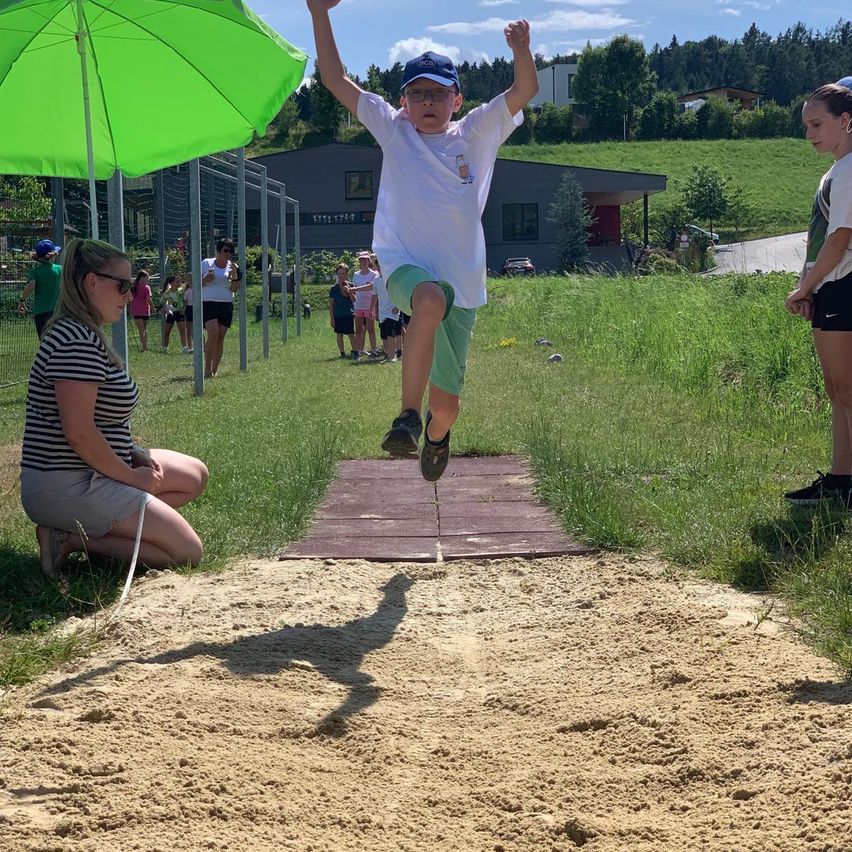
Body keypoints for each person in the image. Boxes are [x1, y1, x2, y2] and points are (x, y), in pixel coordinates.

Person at [307, 0, 538, 481]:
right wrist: (319, 13)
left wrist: (521, 49)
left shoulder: (476, 133)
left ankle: (435, 433)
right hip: (404, 263)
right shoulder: (394, 131)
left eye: (439, 94)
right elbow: (334, 79)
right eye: (418, 95)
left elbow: (525, 89)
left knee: (449, 407)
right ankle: (407, 417)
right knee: (428, 300)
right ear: (403, 102)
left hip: (463, 279)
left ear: (457, 99)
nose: (428, 103)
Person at [19, 238, 207, 581]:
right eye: (124, 285)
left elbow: (98, 421)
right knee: (187, 552)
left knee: (194, 475)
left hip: (89, 470)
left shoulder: (83, 333)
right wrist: (134, 478)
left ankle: (108, 526)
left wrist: (132, 452)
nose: (129, 294)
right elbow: (79, 433)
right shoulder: (75, 341)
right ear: (92, 282)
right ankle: (71, 539)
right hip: (66, 482)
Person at [784, 83, 852, 505]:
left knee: (846, 387)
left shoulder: (849, 170)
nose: (809, 133)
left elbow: (841, 236)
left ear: (846, 121)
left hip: (844, 285)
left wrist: (805, 287)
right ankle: (842, 479)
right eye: (805, 125)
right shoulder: (836, 169)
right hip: (830, 286)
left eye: (816, 123)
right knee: (837, 388)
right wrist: (809, 284)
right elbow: (820, 235)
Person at [201, 237, 242, 378]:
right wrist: (204, 280)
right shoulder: (206, 263)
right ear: (219, 250)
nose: (228, 253)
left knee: (220, 337)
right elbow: (192, 283)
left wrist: (235, 276)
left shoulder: (233, 267)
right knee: (213, 334)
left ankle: (215, 369)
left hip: (225, 303)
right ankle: (206, 369)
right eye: (225, 250)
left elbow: (235, 289)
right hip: (209, 303)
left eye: (230, 251)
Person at [18, 239, 62, 337]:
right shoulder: (60, 270)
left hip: (40, 313)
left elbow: (31, 286)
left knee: (45, 342)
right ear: (53, 254)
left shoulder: (35, 272)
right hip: (58, 312)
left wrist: (22, 300)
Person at [372, 255, 402, 362]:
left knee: (391, 333)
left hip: (392, 311)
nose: (380, 268)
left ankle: (393, 355)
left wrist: (397, 306)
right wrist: (372, 309)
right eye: (378, 266)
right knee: (384, 335)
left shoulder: (391, 278)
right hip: (382, 312)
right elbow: (374, 295)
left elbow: (399, 293)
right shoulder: (376, 280)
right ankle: (387, 354)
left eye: (381, 265)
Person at [351, 250, 378, 357]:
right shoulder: (356, 275)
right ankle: (358, 351)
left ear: (368, 261)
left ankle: (374, 350)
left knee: (371, 329)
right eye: (361, 260)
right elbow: (354, 289)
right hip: (358, 305)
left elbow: (372, 287)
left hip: (369, 304)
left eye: (365, 260)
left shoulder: (373, 274)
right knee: (358, 330)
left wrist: (356, 289)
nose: (363, 262)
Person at [328, 262, 358, 359]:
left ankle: (356, 352)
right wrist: (332, 318)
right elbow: (331, 304)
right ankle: (342, 353)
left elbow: (354, 300)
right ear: (337, 274)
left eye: (343, 274)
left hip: (348, 313)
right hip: (338, 314)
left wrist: (349, 291)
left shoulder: (351, 285)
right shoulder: (334, 288)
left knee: (351, 333)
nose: (341, 276)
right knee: (339, 334)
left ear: (347, 274)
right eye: (339, 274)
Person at [160, 275, 189, 352]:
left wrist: (183, 309)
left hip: (180, 312)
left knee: (182, 330)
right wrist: (166, 309)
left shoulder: (181, 291)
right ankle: (165, 348)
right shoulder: (167, 293)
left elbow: (185, 301)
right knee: (167, 331)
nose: (179, 282)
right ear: (172, 283)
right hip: (171, 314)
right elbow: (162, 303)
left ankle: (184, 347)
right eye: (177, 281)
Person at [130, 270, 155, 352]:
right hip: (144, 310)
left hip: (136, 310)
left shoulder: (133, 286)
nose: (148, 279)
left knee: (141, 330)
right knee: (144, 329)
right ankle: (145, 347)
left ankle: (144, 347)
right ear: (143, 278)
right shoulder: (146, 287)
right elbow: (148, 299)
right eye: (147, 277)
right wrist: (152, 307)